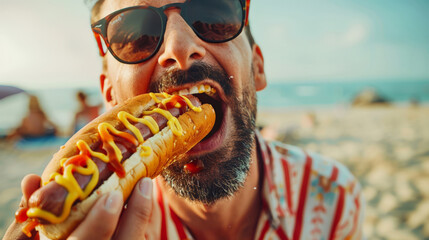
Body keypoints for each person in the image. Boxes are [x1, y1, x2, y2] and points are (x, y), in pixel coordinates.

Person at [4, 0, 365, 239]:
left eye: (213, 15)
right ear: (111, 95)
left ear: (257, 67)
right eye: (135, 34)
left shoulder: (334, 195)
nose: (178, 47)